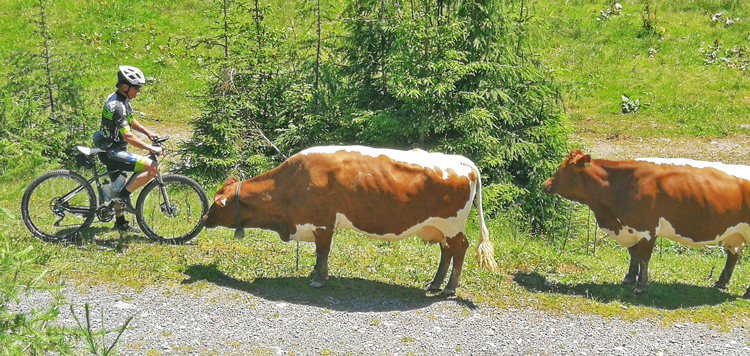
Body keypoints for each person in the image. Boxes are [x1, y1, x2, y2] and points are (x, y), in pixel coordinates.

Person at [93, 65, 162, 232]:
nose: (138, 92)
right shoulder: (117, 106)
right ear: (125, 87)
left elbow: (129, 120)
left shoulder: (120, 100)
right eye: (136, 88)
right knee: (152, 167)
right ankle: (124, 197)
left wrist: (147, 133)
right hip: (113, 153)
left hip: (110, 149)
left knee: (118, 184)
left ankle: (120, 223)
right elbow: (128, 136)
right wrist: (151, 148)